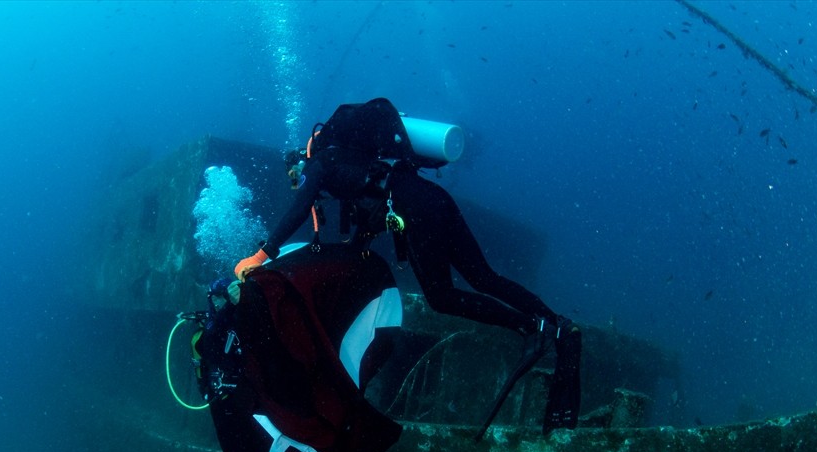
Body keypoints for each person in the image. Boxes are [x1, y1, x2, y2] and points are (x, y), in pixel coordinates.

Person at [234, 98, 581, 434]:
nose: (300, 184)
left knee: (442, 297)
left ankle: (528, 326)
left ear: (301, 160)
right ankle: (555, 322)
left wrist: (261, 255)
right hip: (433, 199)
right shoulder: (363, 164)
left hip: (414, 210)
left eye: (296, 177)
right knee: (483, 276)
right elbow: (368, 226)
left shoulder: (320, 165)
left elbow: (299, 210)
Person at [196, 245, 403, 452]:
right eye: (219, 298)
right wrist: (225, 309)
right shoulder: (212, 329)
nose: (227, 301)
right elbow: (213, 349)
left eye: (228, 296)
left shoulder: (247, 315)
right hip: (226, 409)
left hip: (250, 406)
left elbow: (274, 336)